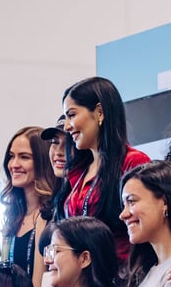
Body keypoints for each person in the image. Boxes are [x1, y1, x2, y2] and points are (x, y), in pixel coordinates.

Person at [61, 76, 151, 262]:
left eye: (72, 115)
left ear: (99, 112)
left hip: (121, 277)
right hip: (85, 280)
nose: (67, 126)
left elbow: (148, 226)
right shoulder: (77, 172)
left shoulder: (133, 162)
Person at [0, 126, 58, 287]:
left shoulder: (51, 216)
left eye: (24, 157)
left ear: (42, 162)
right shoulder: (12, 216)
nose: (14, 164)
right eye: (11, 156)